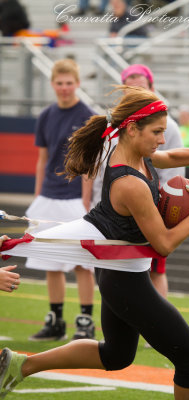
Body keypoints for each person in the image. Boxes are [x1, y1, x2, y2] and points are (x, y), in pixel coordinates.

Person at [0, 86, 189, 400]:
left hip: (116, 273)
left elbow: (172, 157)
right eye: (157, 132)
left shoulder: (130, 150)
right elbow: (163, 244)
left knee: (116, 355)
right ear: (133, 129)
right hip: (125, 281)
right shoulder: (130, 183)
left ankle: (20, 365)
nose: (162, 139)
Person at [25, 59, 96, 342]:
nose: (65, 88)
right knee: (50, 263)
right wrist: (38, 195)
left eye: (69, 83)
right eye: (60, 83)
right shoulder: (45, 115)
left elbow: (90, 164)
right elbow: (42, 159)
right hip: (48, 198)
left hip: (74, 199)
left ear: (77, 84)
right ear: (53, 84)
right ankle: (55, 321)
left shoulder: (88, 116)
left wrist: (85, 201)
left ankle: (85, 322)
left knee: (82, 263)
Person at [121, 64, 185, 298]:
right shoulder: (117, 125)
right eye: (131, 90)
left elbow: (175, 172)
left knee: (155, 270)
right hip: (119, 209)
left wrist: (166, 210)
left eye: (141, 89)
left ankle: (157, 331)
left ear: (152, 88)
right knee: (118, 270)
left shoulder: (169, 127)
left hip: (152, 208)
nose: (137, 95)